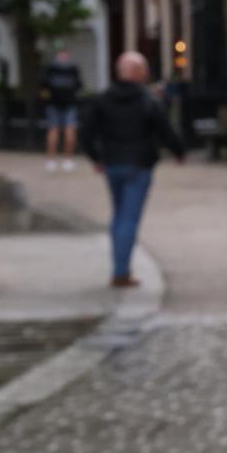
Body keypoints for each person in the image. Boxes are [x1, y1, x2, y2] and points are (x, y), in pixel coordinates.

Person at [81, 52, 184, 288]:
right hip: (139, 164)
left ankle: (120, 266)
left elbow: (86, 133)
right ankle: (120, 271)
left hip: (113, 163)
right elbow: (164, 129)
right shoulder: (147, 100)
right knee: (129, 217)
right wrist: (178, 151)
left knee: (119, 215)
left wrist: (96, 157)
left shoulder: (103, 99)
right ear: (140, 74)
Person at [41, 48, 84, 172]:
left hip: (54, 103)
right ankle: (68, 160)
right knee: (69, 130)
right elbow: (79, 85)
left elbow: (43, 84)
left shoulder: (51, 68)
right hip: (69, 103)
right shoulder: (73, 69)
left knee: (53, 130)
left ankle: (51, 160)